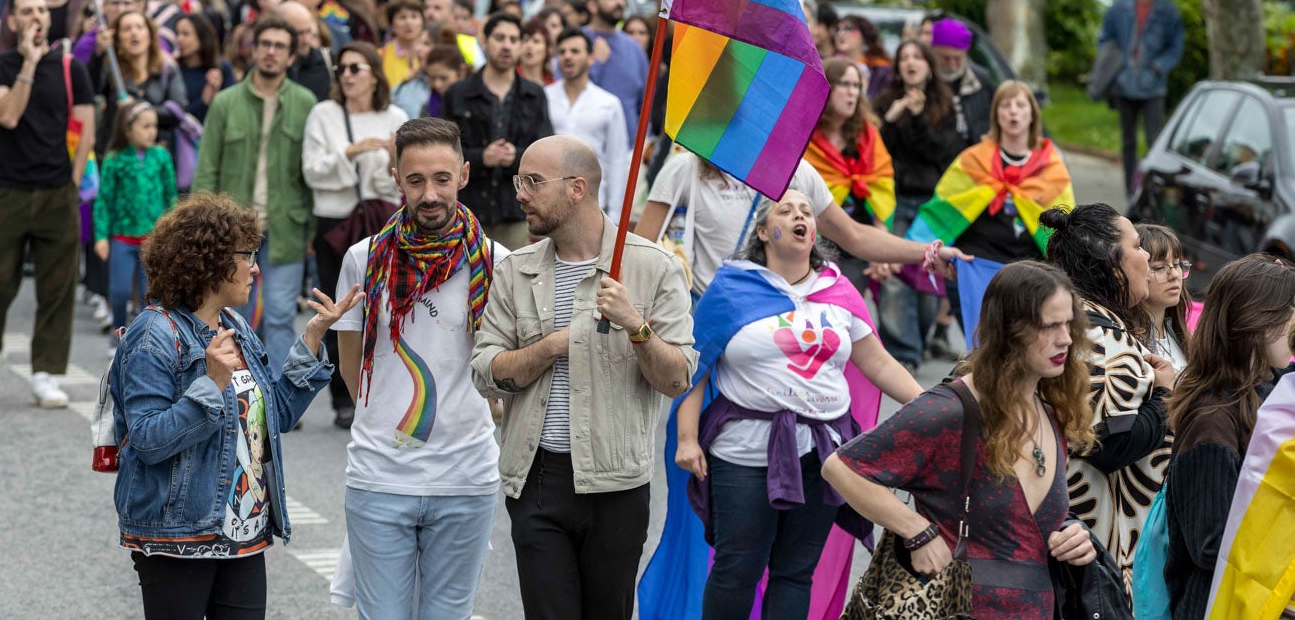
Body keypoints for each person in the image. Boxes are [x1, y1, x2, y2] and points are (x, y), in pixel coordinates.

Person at [471, 135, 697, 620]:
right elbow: (485, 373)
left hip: (615, 484)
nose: (520, 194)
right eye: (519, 181)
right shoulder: (516, 270)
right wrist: (553, 345)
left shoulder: (653, 268)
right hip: (536, 478)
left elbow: (677, 378)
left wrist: (636, 326)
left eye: (533, 181)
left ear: (577, 188)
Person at [669, 188, 922, 619]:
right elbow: (695, 369)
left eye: (807, 210)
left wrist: (934, 404)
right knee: (737, 568)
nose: (800, 215)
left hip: (823, 455)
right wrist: (687, 439)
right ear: (765, 232)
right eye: (785, 210)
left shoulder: (838, 290)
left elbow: (877, 362)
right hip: (743, 452)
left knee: (795, 572)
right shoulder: (732, 288)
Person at [110, 192, 363, 620]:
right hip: (180, 536)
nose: (255, 268)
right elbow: (148, 441)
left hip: (243, 532)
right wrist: (210, 385)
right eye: (247, 256)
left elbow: (275, 417)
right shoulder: (153, 333)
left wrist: (315, 338)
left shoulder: (235, 326)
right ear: (208, 262)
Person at [824, 261, 1099, 619]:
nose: (1064, 338)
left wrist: (1071, 531)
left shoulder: (1051, 410)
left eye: (1068, 324)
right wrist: (917, 531)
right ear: (1009, 331)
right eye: (1049, 326)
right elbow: (841, 468)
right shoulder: (951, 411)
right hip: (961, 607)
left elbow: (1025, 523)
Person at [328, 118, 503, 620]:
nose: (430, 194)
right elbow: (351, 366)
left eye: (442, 178)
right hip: (379, 476)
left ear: (464, 175)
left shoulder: (495, 261)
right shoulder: (363, 260)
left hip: (467, 479)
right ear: (395, 179)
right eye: (416, 180)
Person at [0, 0, 95, 407]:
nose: (37, 16)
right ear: (12, 20)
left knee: (56, 287)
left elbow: (85, 126)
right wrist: (27, 64)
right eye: (27, 11)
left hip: (58, 190)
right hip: (10, 190)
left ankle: (45, 373)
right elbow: (7, 114)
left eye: (42, 9)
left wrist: (73, 182)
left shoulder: (71, 67)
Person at [1041, 202, 1175, 591]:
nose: (1147, 255)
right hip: (1089, 552)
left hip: (1072, 543)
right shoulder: (1101, 338)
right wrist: (1164, 394)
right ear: (1110, 262)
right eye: (1136, 246)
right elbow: (1109, 444)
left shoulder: (1074, 320)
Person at [1165, 255, 1295, 620]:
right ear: (1254, 321)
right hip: (1218, 605)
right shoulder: (1212, 417)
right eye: (1290, 312)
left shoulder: (1265, 393)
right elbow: (1209, 543)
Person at [193, 16, 317, 380]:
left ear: (291, 56)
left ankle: (277, 394)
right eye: (265, 44)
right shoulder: (226, 102)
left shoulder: (305, 102)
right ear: (253, 49)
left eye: (280, 46)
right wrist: (204, 223)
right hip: (233, 229)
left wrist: (311, 231)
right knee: (230, 313)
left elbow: (310, 173)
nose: (271, 52)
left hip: (286, 224)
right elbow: (207, 167)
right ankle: (234, 386)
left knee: (280, 314)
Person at [909, 81, 1073, 344]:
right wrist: (909, 247)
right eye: (1005, 105)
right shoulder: (974, 159)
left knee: (1025, 348)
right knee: (984, 349)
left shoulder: (1050, 165)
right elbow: (944, 208)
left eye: (1020, 105)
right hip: (977, 267)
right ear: (996, 114)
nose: (1013, 112)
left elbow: (1064, 224)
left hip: (1029, 273)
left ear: (1032, 114)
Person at [303, 42, 407, 428]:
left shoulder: (395, 115)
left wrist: (383, 160)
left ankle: (385, 388)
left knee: (386, 306)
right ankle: (343, 397)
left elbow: (397, 179)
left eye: (355, 67)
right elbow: (312, 171)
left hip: (381, 218)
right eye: (341, 68)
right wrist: (351, 152)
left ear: (375, 74)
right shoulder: (323, 113)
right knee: (337, 308)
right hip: (336, 219)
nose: (346, 74)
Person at [872, 38, 963, 370]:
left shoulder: (945, 105)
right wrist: (894, 118)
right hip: (894, 201)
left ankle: (919, 341)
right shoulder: (884, 103)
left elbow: (942, 153)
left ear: (928, 66)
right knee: (895, 276)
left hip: (930, 205)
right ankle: (902, 353)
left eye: (916, 57)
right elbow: (876, 153)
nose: (910, 63)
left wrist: (920, 117)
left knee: (927, 278)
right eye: (903, 58)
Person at [441, 12, 553, 250]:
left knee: (514, 283)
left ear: (522, 45)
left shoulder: (534, 95)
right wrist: (483, 157)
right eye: (500, 38)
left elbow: (547, 151)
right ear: (485, 40)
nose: (506, 45)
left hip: (516, 210)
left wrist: (517, 156)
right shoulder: (458, 93)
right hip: (466, 211)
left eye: (514, 40)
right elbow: (442, 151)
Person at [803, 56, 895, 292]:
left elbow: (881, 193)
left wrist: (879, 252)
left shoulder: (868, 136)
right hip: (812, 245)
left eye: (857, 86)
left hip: (856, 247)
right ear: (827, 86)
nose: (852, 93)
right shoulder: (805, 136)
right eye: (845, 84)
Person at [93, 99, 178, 353]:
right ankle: (118, 331)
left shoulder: (161, 157)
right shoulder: (115, 159)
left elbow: (171, 196)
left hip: (154, 240)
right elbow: (104, 200)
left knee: (149, 296)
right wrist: (100, 236)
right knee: (118, 291)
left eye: (154, 126)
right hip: (122, 237)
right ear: (127, 129)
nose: (152, 131)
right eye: (145, 126)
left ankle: (144, 341)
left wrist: (173, 232)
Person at [1097, 0, 1184, 193]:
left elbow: (1175, 47)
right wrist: (1113, 68)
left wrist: (1158, 68)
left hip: (1153, 87)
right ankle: (1130, 192)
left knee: (1155, 141)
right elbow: (1105, 40)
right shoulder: (1119, 9)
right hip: (1124, 86)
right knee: (1128, 144)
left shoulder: (1167, 11)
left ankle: (1150, 192)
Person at [544, 28, 629, 223]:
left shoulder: (609, 103)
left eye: (575, 51)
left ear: (591, 58)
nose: (567, 57)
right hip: (550, 200)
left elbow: (617, 158)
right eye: (562, 52)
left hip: (595, 201)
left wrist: (615, 213)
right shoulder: (545, 96)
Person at [89, 10, 189, 155]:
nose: (133, 33)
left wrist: (138, 110)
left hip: (155, 156)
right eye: (127, 29)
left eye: (139, 27)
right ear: (117, 38)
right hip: (117, 155)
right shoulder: (110, 70)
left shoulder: (167, 71)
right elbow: (91, 88)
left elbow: (178, 111)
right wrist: (98, 53)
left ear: (150, 35)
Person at [582, 0, 647, 145]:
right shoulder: (576, 43)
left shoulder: (635, 48)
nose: (619, 2)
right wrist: (597, 63)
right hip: (586, 149)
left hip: (628, 151)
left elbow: (646, 104)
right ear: (592, 5)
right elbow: (570, 97)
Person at [930, 17, 996, 152]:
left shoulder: (981, 80)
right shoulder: (924, 80)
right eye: (945, 58)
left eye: (957, 58)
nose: (952, 65)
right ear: (933, 52)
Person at [1135, 223, 1194, 371]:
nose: (1174, 275)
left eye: (1177, 264)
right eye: (1160, 267)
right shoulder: (1127, 341)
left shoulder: (1182, 337)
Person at [173, 12, 236, 125]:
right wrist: (203, 101)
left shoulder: (222, 68)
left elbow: (232, 109)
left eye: (186, 34)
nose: (179, 39)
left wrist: (216, 97)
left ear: (201, 36)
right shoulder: (174, 70)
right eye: (177, 34)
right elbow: (176, 115)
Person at [833, 14, 892, 99]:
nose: (840, 33)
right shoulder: (829, 66)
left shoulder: (880, 71)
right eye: (837, 30)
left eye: (848, 28)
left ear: (864, 35)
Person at [379, 0, 426, 89]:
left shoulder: (430, 54)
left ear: (422, 22)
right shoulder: (380, 56)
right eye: (402, 17)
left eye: (414, 16)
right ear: (391, 24)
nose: (408, 22)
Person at [518, 15, 554, 86]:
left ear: (548, 50)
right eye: (525, 40)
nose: (529, 46)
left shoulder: (552, 84)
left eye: (536, 41)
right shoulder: (509, 79)